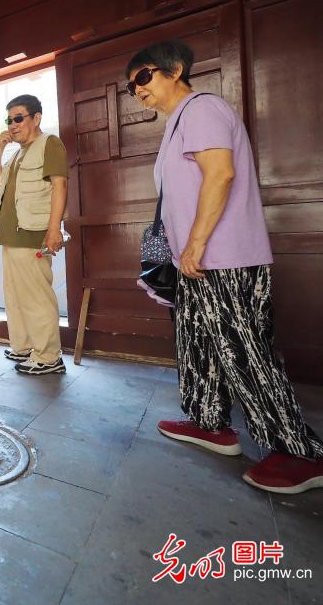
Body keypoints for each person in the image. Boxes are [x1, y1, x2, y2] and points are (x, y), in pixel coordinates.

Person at [127, 39, 323, 494]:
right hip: (196, 262)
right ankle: (209, 422)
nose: (137, 89)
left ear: (175, 70)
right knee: (197, 342)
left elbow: (221, 174)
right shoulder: (178, 121)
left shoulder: (201, 108)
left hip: (224, 257)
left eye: (144, 76)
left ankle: (298, 453)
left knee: (244, 350)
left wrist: (195, 244)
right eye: (130, 85)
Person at [0, 94, 69, 375]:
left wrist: (54, 229)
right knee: (16, 296)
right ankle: (24, 347)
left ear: (36, 118)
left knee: (36, 296)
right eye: (9, 120)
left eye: (18, 118)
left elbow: (60, 186)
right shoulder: (18, 153)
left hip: (32, 234)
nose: (12, 125)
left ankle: (48, 357)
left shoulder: (50, 144)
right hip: (10, 236)